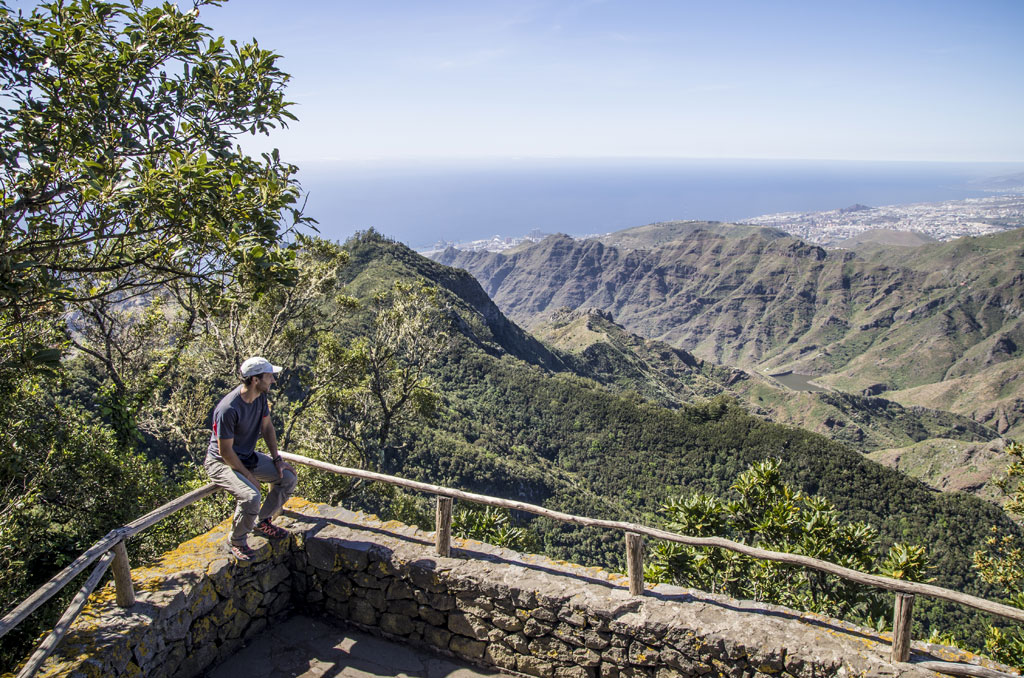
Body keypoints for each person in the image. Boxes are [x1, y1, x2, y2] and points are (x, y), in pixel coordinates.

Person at [205, 356, 298, 560]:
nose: (273, 380)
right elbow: (225, 451)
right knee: (250, 495)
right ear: (255, 380)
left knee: (288, 479)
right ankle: (237, 539)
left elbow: (267, 428)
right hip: (220, 462)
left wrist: (277, 459)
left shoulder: (260, 399)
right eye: (269, 376)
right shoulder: (228, 409)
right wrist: (248, 476)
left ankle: (261, 521)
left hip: (245, 456)